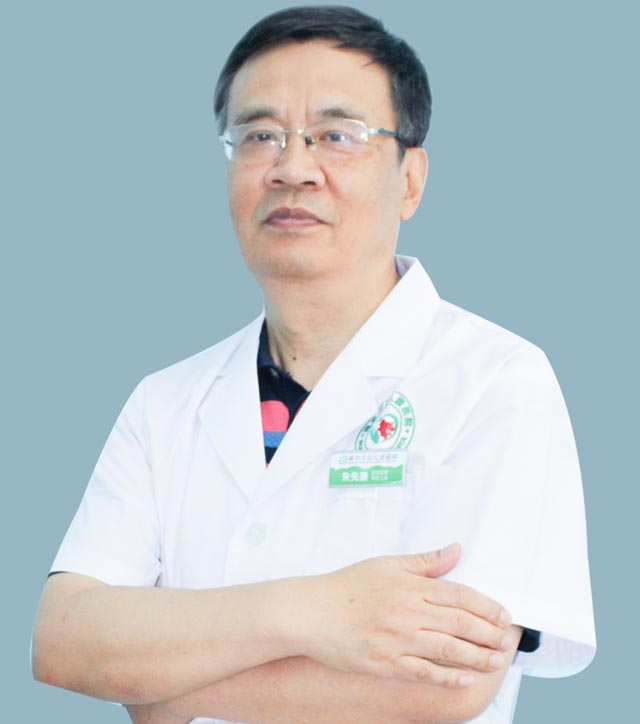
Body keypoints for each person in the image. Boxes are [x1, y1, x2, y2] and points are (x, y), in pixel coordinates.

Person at [31, 6, 596, 724]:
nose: (293, 169)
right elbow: (62, 641)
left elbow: (446, 684)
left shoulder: (496, 380)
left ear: (411, 179)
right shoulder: (164, 402)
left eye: (337, 135)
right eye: (259, 136)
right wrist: (317, 609)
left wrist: (153, 678)